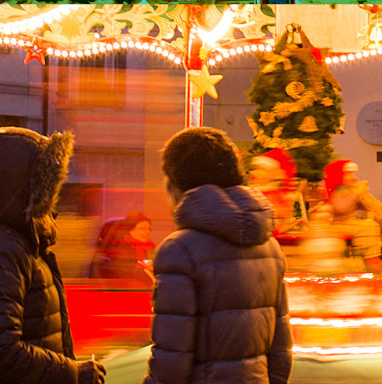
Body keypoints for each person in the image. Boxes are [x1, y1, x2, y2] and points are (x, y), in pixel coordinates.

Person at [0, 126, 106, 384]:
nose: (53, 195)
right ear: (22, 183)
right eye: (47, 184)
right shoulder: (4, 250)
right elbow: (1, 351)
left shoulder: (1, 237)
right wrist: (72, 373)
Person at [146, 126, 292, 384]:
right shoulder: (269, 247)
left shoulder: (179, 250)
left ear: (176, 183)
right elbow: (280, 348)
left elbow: (172, 358)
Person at [91, 211, 155, 283]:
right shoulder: (121, 250)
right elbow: (126, 275)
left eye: (149, 229)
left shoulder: (151, 248)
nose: (147, 232)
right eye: (142, 229)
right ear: (130, 230)